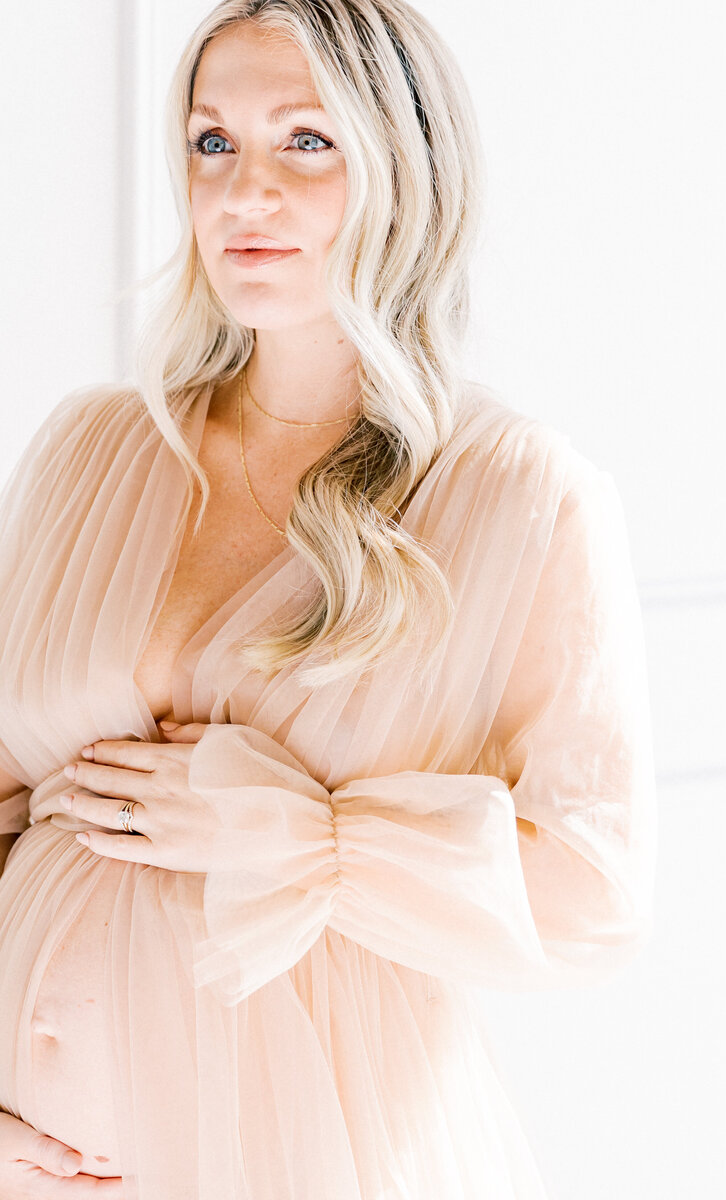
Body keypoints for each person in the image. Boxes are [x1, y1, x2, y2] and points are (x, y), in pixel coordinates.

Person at [0, 0, 658, 1195]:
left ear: (402, 168)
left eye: (306, 141)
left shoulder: (517, 498)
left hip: (306, 1147)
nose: (244, 194)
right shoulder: (91, 454)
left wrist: (308, 841)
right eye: (213, 144)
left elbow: (593, 895)